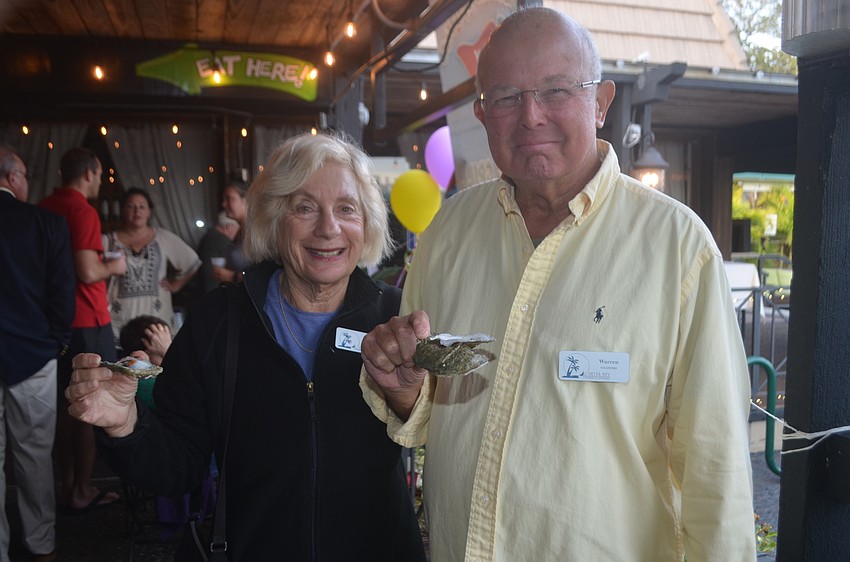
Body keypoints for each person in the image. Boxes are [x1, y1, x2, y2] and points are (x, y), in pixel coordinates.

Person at [359, 8, 756, 562]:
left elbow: (718, 468)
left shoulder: (678, 248)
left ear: (601, 103)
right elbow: (430, 407)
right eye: (505, 97)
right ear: (481, 113)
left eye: (556, 90)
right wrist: (402, 389)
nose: (530, 117)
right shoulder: (448, 232)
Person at [66, 132, 427, 561]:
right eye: (305, 207)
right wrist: (124, 424)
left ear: (366, 222)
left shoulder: (395, 322)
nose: (329, 228)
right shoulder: (220, 322)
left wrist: (410, 397)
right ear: (275, 220)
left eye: (346, 208)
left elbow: (441, 438)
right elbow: (177, 464)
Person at [40, 147, 126, 513]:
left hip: (53, 322)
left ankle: (66, 486)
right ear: (90, 173)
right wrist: (115, 267)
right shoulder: (82, 210)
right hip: (88, 320)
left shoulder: (43, 207)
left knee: (62, 407)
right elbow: (88, 271)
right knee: (91, 404)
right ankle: (84, 489)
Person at [0, 146, 74, 562]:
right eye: (25, 175)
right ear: (13, 178)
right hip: (32, 354)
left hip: (31, 350)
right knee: (33, 456)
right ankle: (41, 545)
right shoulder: (45, 223)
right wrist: (57, 344)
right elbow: (62, 293)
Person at [102, 187, 201, 343]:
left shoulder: (162, 238)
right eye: (131, 206)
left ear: (149, 211)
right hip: (119, 322)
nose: (137, 211)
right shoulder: (108, 241)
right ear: (122, 210)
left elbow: (192, 262)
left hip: (157, 323)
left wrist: (176, 284)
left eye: (142, 206)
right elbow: (93, 273)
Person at [211, 180, 249, 285]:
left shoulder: (257, 232)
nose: (223, 204)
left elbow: (265, 274)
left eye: (229, 198)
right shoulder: (241, 231)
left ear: (246, 200)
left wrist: (233, 277)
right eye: (223, 199)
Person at [196, 211, 240, 294]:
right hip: (214, 290)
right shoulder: (221, 240)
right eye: (238, 228)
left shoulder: (210, 235)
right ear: (229, 227)